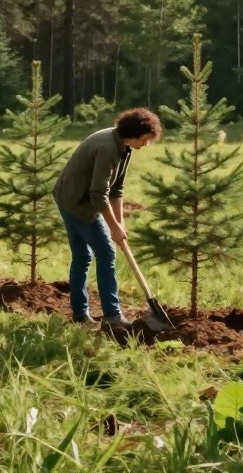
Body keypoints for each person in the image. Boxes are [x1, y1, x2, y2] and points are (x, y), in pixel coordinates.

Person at [53, 107, 163, 326]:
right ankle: (113, 316)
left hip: (69, 196)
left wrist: (120, 224)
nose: (146, 144)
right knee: (106, 254)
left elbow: (116, 189)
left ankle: (80, 315)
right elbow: (98, 195)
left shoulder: (123, 146)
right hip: (77, 202)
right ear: (134, 133)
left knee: (82, 258)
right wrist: (113, 227)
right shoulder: (107, 148)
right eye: (145, 139)